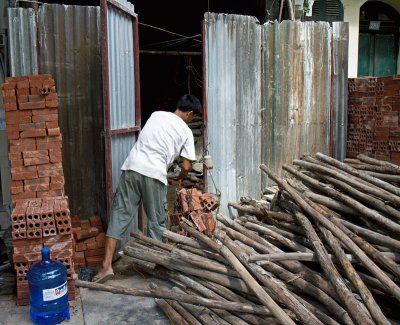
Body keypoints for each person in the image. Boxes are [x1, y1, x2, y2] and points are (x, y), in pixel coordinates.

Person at [92, 94, 202, 283]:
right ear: (190, 114)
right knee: (156, 222)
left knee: (120, 215)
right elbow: (186, 166)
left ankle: (106, 266)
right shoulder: (186, 131)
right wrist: (178, 178)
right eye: (193, 117)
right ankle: (157, 266)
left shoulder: (156, 115)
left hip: (132, 167)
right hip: (155, 174)